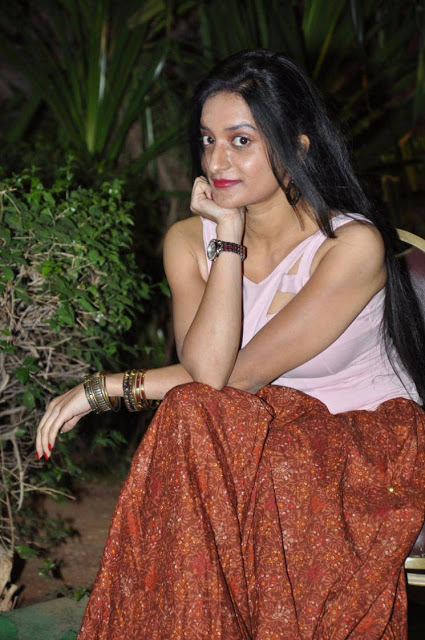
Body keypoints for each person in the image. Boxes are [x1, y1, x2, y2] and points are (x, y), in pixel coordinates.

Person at [36, 49, 425, 639]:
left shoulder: (350, 246)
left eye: (241, 141)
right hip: (257, 430)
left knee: (214, 424)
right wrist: (228, 238)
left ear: (297, 148)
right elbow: (206, 370)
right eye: (207, 140)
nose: (217, 161)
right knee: (196, 413)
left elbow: (235, 376)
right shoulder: (187, 241)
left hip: (363, 442)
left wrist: (105, 389)